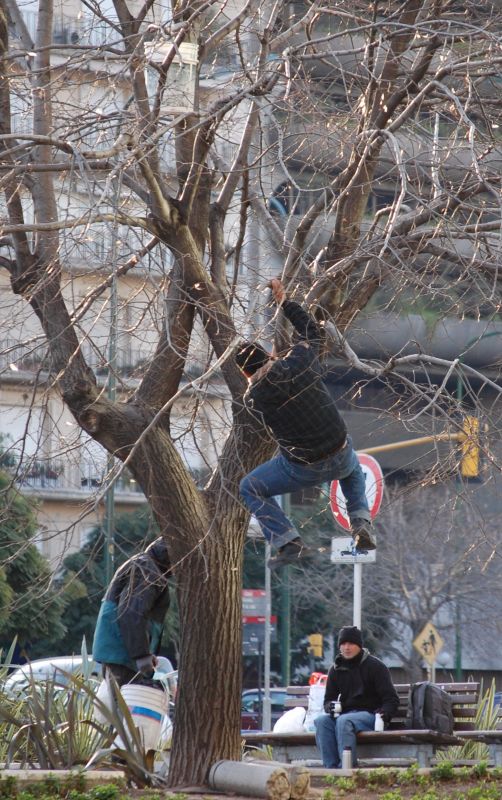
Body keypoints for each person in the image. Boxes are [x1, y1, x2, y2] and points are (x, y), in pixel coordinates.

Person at [236, 278, 374, 570]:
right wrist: (284, 302)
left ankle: (288, 541)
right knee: (351, 470)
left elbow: (261, 385)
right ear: (271, 356)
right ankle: (360, 522)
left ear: (247, 375)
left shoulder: (254, 398)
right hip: (338, 448)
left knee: (250, 487)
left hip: (302, 466)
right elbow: (313, 332)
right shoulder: (300, 361)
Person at [92, 537, 173, 688]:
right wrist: (141, 655)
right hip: (123, 656)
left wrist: (146, 653)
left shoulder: (143, 565)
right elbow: (132, 612)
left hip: (120, 655)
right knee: (127, 708)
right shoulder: (147, 571)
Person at [314, 626, 399, 768]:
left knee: (343, 721)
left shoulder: (375, 666)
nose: (347, 647)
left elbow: (391, 699)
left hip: (370, 715)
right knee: (321, 721)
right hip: (345, 715)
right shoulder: (336, 669)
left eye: (351, 644)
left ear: (359, 646)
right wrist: (330, 706)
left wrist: (384, 713)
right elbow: (328, 699)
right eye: (343, 644)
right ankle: (331, 770)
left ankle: (347, 769)